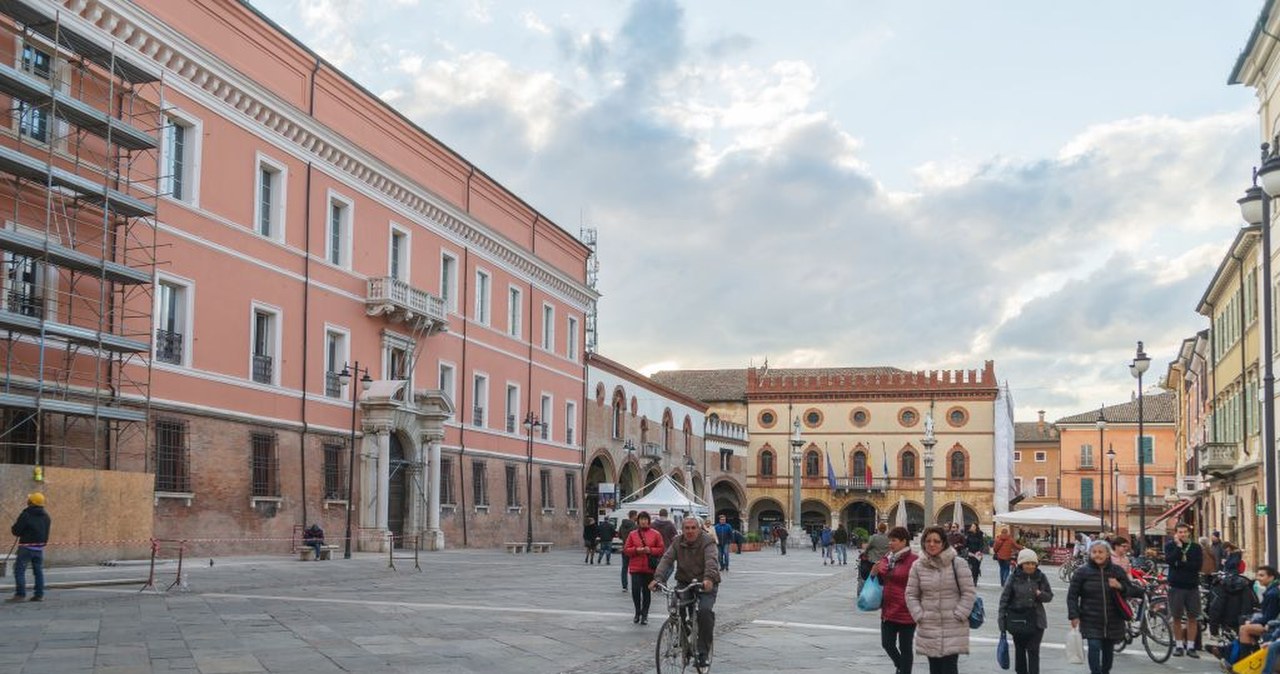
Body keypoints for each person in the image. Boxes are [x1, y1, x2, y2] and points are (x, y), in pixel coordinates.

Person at [651, 516, 721, 670]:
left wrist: (709, 579)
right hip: (685, 581)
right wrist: (658, 578)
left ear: (699, 528)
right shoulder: (677, 541)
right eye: (686, 528)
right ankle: (683, 629)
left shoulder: (707, 541)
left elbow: (711, 561)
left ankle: (703, 653)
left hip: (705, 582)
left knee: (704, 611)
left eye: (693, 528)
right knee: (676, 604)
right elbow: (666, 559)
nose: (690, 531)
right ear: (682, 529)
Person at [905, 526, 975, 674]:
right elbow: (911, 594)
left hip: (953, 625)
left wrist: (959, 614)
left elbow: (968, 592)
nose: (932, 544)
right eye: (928, 541)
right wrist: (919, 615)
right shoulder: (918, 566)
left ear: (944, 543)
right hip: (929, 625)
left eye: (936, 541)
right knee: (934, 668)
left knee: (949, 667)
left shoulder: (958, 563)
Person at [1068, 540, 1141, 674]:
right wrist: (1074, 615)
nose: (1097, 555)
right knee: (1094, 646)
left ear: (1108, 554)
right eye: (1094, 552)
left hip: (1113, 619)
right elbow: (1072, 595)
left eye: (1101, 552)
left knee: (1108, 651)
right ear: (1090, 554)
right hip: (1090, 619)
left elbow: (1132, 590)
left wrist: (1119, 586)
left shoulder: (1117, 571)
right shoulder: (1082, 572)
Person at [998, 548, 1053, 674]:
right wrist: (1001, 621)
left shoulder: (1040, 577)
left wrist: (1040, 594)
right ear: (1021, 564)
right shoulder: (1013, 578)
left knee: (1034, 650)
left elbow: (1049, 596)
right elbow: (1004, 599)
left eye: (1033, 563)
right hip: (1018, 620)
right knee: (1020, 650)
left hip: (1037, 620)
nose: (1030, 566)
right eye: (1027, 563)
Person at [872, 526, 918, 674]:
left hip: (906, 611)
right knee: (887, 644)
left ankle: (904, 670)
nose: (890, 543)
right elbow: (880, 581)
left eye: (894, 540)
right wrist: (873, 573)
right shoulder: (887, 558)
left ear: (904, 541)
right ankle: (901, 666)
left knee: (905, 648)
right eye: (889, 540)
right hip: (888, 609)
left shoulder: (914, 561)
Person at [1163, 523, 1203, 658]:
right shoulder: (1170, 546)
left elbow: (1197, 566)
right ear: (1176, 533)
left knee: (1193, 617)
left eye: (1185, 532)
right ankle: (1179, 645)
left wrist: (1179, 564)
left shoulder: (1196, 547)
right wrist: (1179, 549)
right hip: (1176, 586)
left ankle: (1191, 646)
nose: (1183, 534)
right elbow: (1169, 560)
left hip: (1192, 586)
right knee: (1177, 617)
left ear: (1189, 533)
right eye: (1180, 532)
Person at [623, 511, 664, 625]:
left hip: (649, 568)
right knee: (635, 591)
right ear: (638, 521)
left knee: (646, 592)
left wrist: (650, 550)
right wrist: (637, 550)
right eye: (641, 519)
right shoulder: (632, 534)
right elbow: (626, 549)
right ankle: (637, 612)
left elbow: (661, 549)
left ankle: (644, 614)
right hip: (635, 567)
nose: (644, 521)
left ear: (649, 521)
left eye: (646, 519)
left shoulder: (656, 534)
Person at [8, 492, 50, 603]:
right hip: (39, 548)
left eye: (29, 500)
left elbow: (16, 531)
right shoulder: (46, 516)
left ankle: (20, 595)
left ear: (30, 502)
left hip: (26, 548)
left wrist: (15, 528)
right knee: (38, 572)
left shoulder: (26, 514)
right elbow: (46, 533)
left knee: (19, 570)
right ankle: (39, 595)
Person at [1238, 565, 1280, 647]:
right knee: (1245, 621)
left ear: (1271, 577)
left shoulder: (1272, 594)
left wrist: (1252, 622)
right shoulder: (1271, 590)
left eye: (1261, 575)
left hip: (1272, 625)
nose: (1258, 578)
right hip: (1271, 622)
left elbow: (1269, 616)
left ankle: (1245, 657)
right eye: (1257, 575)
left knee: (1244, 629)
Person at [617, 510, 638, 591]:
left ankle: (624, 586)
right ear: (633, 516)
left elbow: (619, 536)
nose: (637, 517)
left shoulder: (622, 526)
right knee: (634, 568)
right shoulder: (635, 527)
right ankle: (634, 585)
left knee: (624, 568)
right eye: (636, 515)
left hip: (625, 548)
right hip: (633, 549)